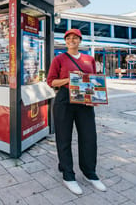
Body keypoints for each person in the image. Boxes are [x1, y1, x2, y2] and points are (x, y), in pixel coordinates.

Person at [47, 28, 107, 195]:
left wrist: (96, 98)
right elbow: (51, 82)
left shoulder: (89, 59)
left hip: (84, 100)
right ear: (65, 41)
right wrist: (71, 78)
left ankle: (90, 173)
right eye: (68, 38)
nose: (71, 40)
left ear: (80, 40)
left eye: (75, 38)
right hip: (64, 100)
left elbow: (94, 80)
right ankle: (68, 175)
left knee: (89, 137)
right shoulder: (59, 59)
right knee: (64, 138)